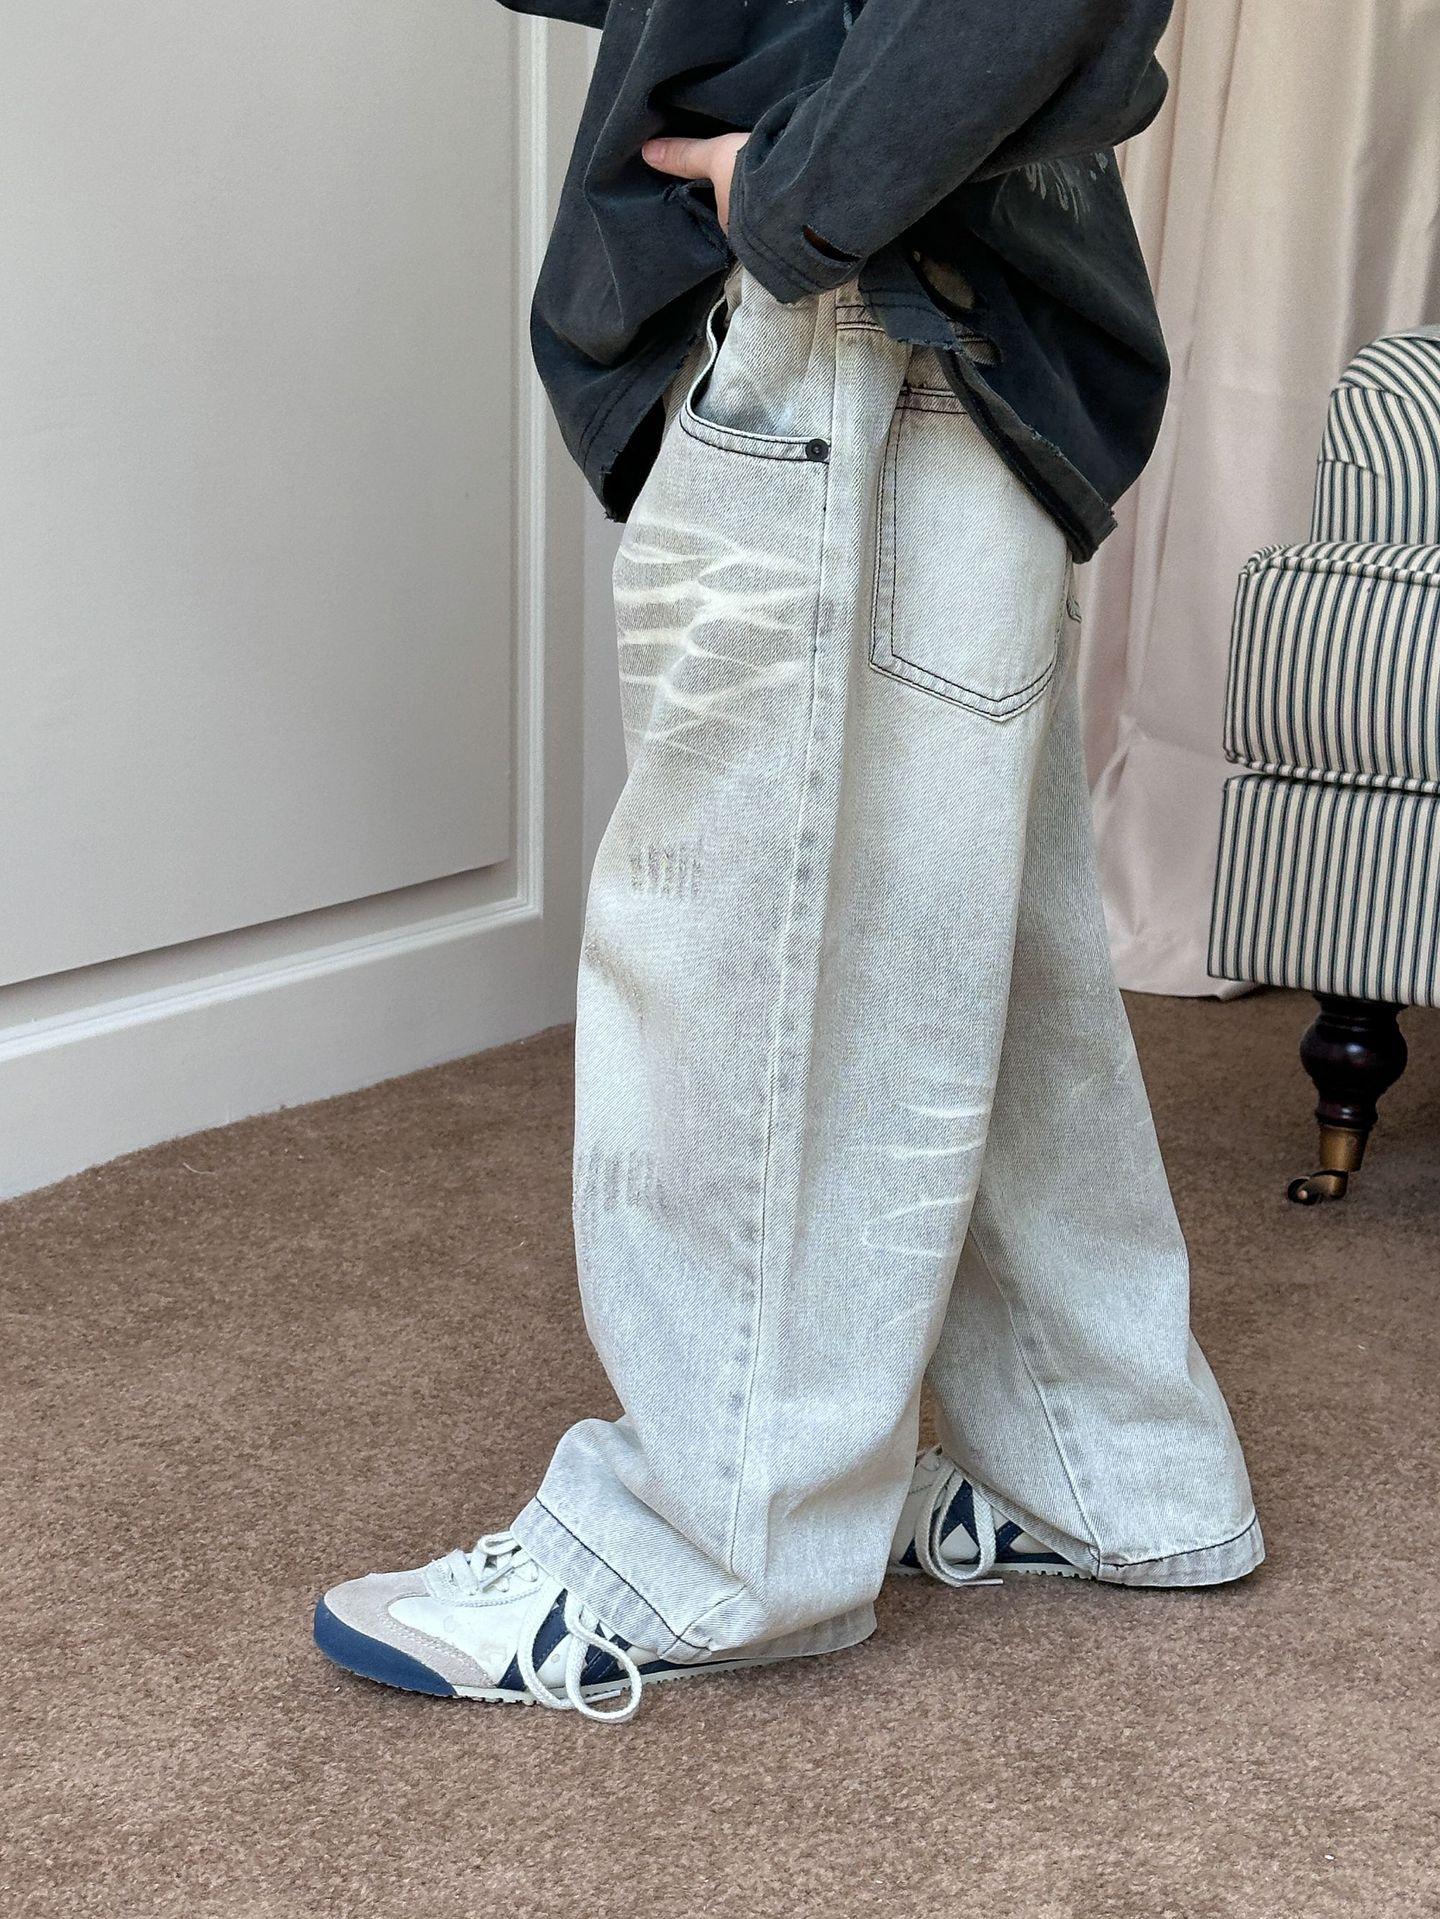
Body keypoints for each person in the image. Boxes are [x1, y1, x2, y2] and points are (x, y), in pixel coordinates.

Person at [314, 0, 1262, 1724]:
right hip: (935, 302)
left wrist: (803, 194)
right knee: (966, 942)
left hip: (860, 312)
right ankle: (1115, 1469)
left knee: (749, 952)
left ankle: (709, 1540)